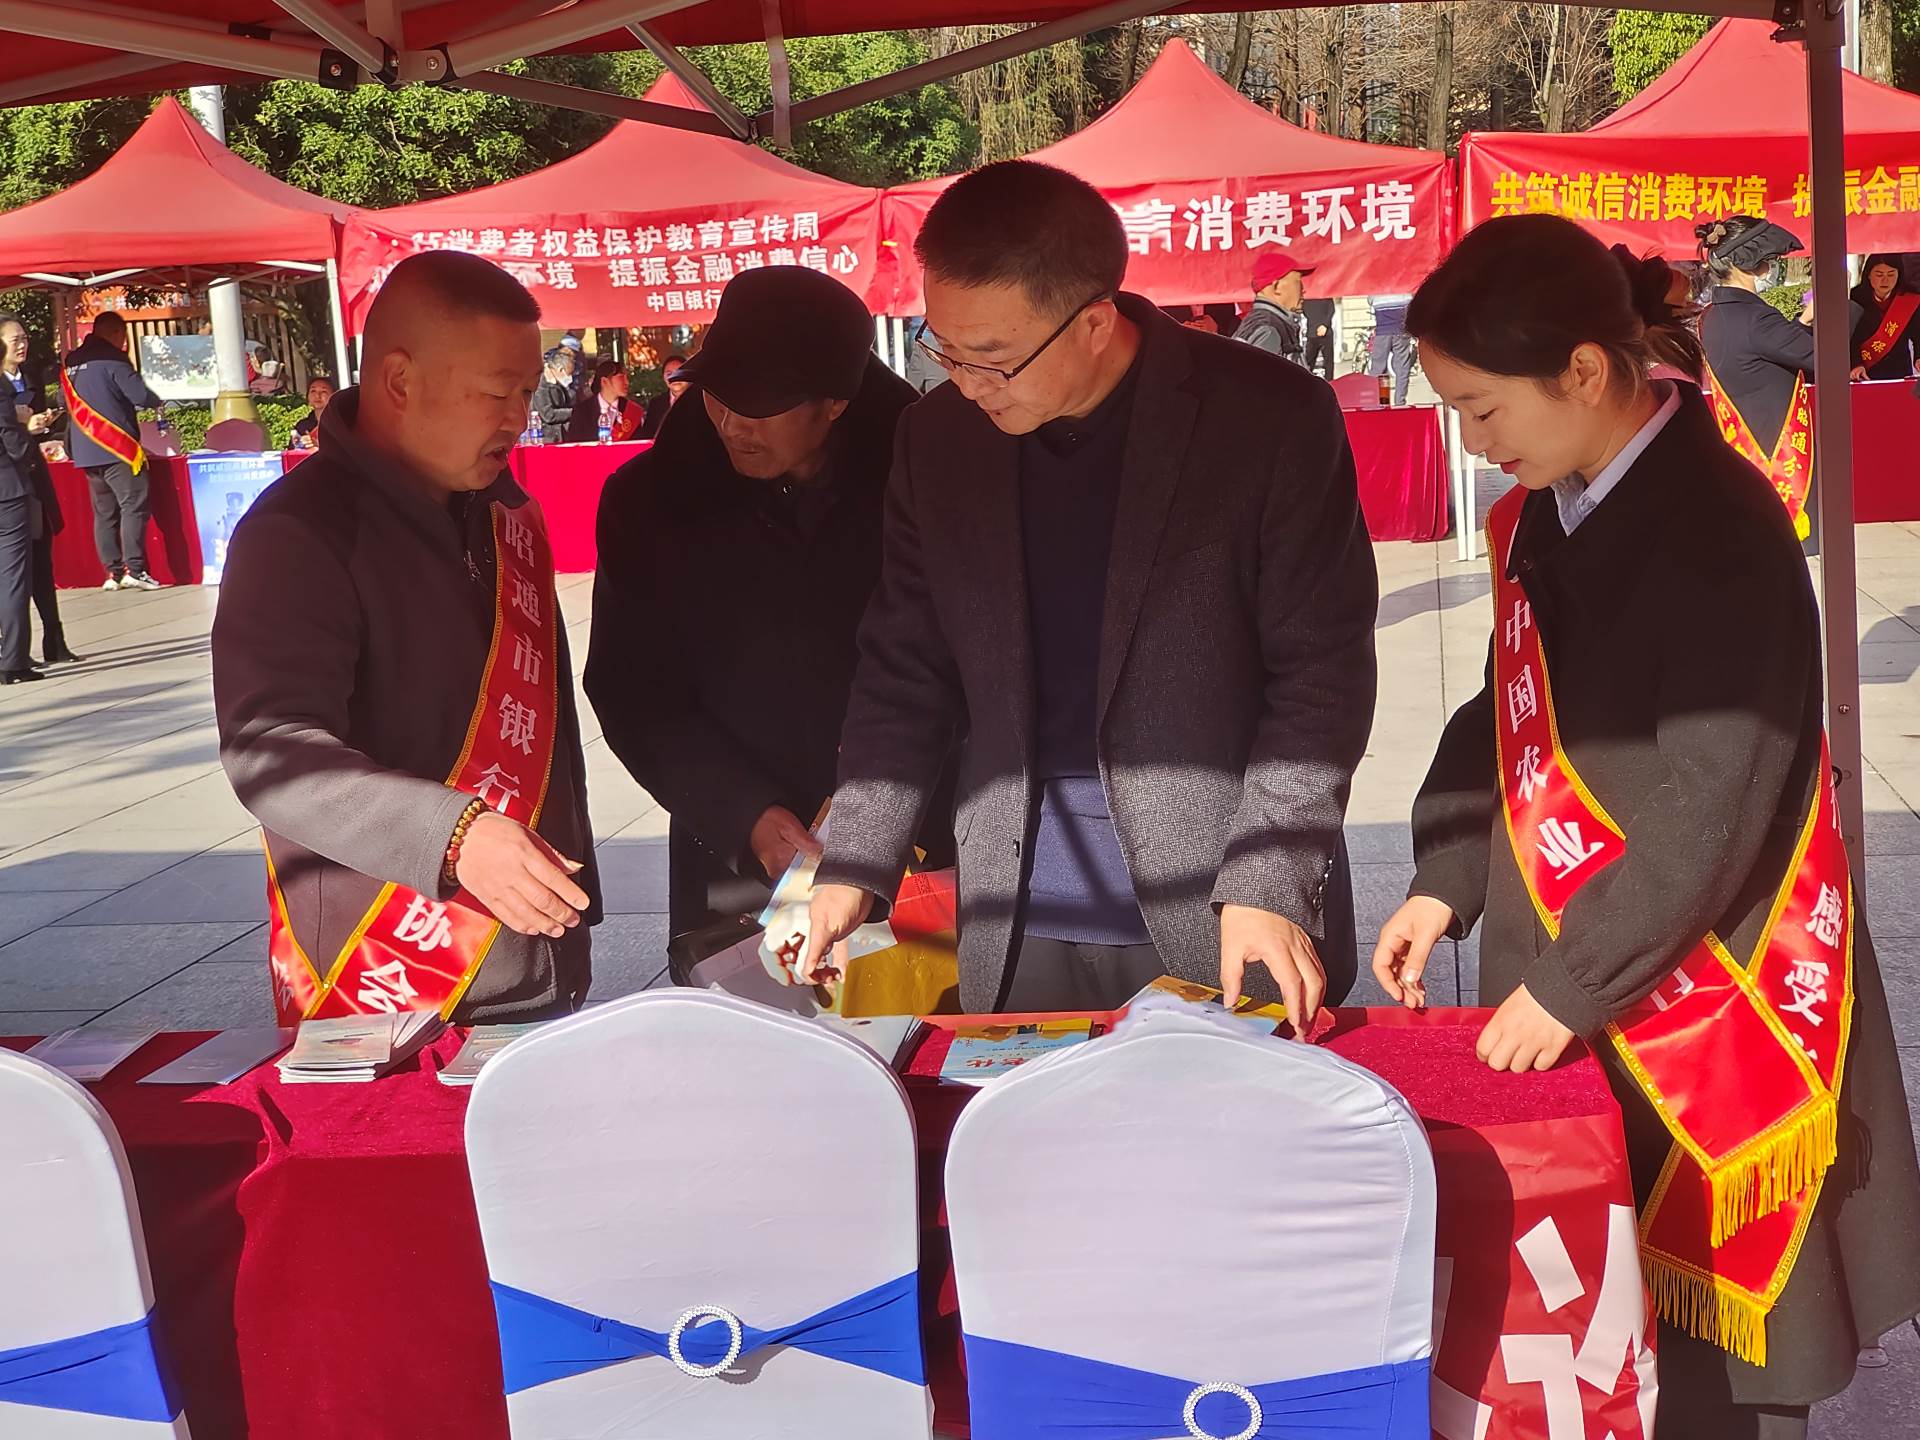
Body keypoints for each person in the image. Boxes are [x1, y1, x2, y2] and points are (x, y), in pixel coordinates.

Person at [1373, 213, 1920, 1440]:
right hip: (1585, 955)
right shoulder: (1557, 502)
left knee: (1720, 1358)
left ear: (1582, 369)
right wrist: (1446, 872)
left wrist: (1573, 982)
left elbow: (1719, 793)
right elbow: (1504, 699)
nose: (1476, 443)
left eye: (1484, 409)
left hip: (1705, 977)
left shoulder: (1720, 524)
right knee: (1601, 1322)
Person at [797, 160, 1378, 1018]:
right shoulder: (938, 439)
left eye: (993, 359)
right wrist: (856, 858)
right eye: (943, 347)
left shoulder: (1267, 419)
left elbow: (1321, 674)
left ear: (1096, 323)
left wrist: (1269, 876)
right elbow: (904, 666)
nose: (965, 381)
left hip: (1222, 900)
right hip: (1017, 905)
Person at [212, 251, 600, 1024]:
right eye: (496, 392)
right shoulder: (300, 534)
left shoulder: (502, 512)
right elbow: (270, 754)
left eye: (527, 391)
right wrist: (453, 837)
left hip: (532, 949)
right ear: (399, 381)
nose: (517, 418)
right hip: (390, 974)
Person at [587, 267, 939, 939]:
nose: (730, 423)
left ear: (834, 403)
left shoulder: (923, 483)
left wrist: (883, 821)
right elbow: (633, 690)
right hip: (738, 853)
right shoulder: (650, 500)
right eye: (719, 396)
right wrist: (743, 813)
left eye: (759, 405)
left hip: (920, 837)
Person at [1694, 216, 1820, 545]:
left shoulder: (1713, 315)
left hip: (1746, 459)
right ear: (1745, 261)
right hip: (1778, 462)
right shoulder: (1756, 317)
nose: (1771, 263)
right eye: (1766, 257)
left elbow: (1780, 347)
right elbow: (1823, 356)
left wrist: (1802, 323)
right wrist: (1844, 306)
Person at [63, 310, 165, 591]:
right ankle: (136, 569)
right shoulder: (114, 359)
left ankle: (113, 572)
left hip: (86, 450)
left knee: (104, 513)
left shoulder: (72, 361)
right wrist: (157, 400)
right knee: (133, 506)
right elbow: (139, 395)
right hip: (117, 448)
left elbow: (64, 400)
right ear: (117, 333)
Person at [1, 315, 76, 666]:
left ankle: (54, 638)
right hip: (10, 482)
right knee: (13, 570)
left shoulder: (30, 376)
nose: (22, 345)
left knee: (41, 559)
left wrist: (42, 423)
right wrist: (23, 427)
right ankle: (15, 649)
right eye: (14, 339)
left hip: (33, 478)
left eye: (24, 338)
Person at [1231, 251, 1312, 366]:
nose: (1303, 290)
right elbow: (1257, 376)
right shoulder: (1269, 330)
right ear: (1276, 287)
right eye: (1298, 282)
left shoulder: (1260, 322)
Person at [1848, 252, 1918, 381]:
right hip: (1865, 372)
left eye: (1891, 274)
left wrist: (1918, 358)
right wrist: (1856, 364)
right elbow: (1850, 337)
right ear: (1868, 275)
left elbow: (1918, 334)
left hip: (1899, 370)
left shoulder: (1910, 298)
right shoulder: (1856, 297)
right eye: (1879, 274)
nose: (1885, 280)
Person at [565, 360, 643, 443]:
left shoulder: (632, 411)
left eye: (627, 377)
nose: (627, 382)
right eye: (621, 377)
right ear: (604, 381)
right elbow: (574, 444)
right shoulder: (582, 411)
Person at [1367, 294, 1414, 405]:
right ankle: (1400, 402)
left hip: (1382, 332)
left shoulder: (1376, 294)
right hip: (1401, 331)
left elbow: (1370, 300)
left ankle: (1381, 401)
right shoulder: (1405, 293)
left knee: (1378, 369)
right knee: (1402, 368)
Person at [530, 347, 575, 443]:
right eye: (569, 373)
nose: (570, 377)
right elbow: (548, 414)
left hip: (561, 435)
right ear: (560, 370)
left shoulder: (559, 383)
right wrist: (574, 412)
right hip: (546, 438)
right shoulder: (541, 384)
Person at [641, 354, 689, 437]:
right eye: (669, 374)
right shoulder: (656, 404)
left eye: (679, 372)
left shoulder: (702, 401)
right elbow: (648, 434)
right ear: (663, 377)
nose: (675, 377)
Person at [290, 374, 335, 450]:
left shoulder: (342, 424)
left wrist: (319, 445)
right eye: (313, 391)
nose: (317, 396)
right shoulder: (302, 426)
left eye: (324, 391)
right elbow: (292, 451)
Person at [1301, 295, 1336, 380]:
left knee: (1312, 361)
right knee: (1320, 361)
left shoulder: (1307, 296)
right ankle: (1328, 381)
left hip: (1316, 331)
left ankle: (1308, 381)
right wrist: (1324, 324)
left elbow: (1305, 312)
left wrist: (1323, 325)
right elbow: (1331, 310)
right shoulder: (1325, 294)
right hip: (1320, 331)